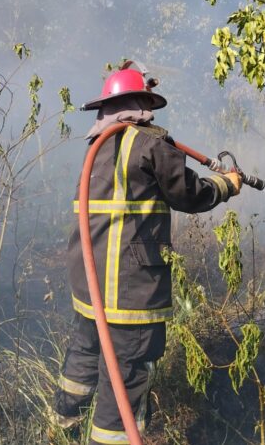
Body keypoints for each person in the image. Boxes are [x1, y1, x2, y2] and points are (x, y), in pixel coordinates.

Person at [52, 61, 241, 444]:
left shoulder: (99, 146)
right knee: (127, 369)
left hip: (89, 283)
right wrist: (226, 184)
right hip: (129, 286)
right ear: (141, 102)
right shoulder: (152, 143)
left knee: (87, 350)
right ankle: (110, 437)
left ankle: (63, 424)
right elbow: (189, 194)